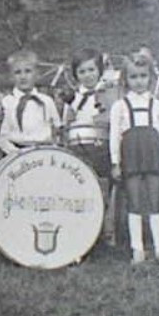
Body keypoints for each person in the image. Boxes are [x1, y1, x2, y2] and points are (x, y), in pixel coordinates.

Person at [109, 49, 159, 265]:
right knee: (134, 201)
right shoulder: (120, 106)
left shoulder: (158, 106)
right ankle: (137, 248)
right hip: (131, 154)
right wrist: (116, 162)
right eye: (133, 77)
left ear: (151, 77)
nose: (139, 81)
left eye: (143, 76)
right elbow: (115, 136)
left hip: (153, 153)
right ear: (125, 80)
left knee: (155, 201)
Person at [63, 48, 115, 242]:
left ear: (100, 70)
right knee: (80, 183)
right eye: (82, 72)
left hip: (101, 146)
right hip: (78, 145)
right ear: (76, 75)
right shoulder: (75, 98)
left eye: (91, 70)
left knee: (102, 184)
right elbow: (67, 122)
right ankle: (82, 228)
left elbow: (113, 117)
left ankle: (106, 228)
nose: (87, 75)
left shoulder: (108, 93)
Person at [0, 49, 62, 153]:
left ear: (37, 74)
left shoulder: (47, 101)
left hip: (45, 151)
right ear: (11, 77)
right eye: (17, 72)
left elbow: (57, 129)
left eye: (28, 71)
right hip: (15, 152)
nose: (23, 77)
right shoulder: (6, 103)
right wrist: (15, 153)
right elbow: (1, 136)